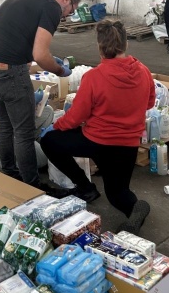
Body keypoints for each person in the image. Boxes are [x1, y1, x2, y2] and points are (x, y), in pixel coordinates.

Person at [40, 20, 156, 234]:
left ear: (99, 47)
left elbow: (76, 117)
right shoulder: (144, 71)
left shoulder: (93, 77)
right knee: (117, 195)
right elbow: (149, 103)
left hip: (96, 141)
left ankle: (85, 188)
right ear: (126, 44)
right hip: (128, 145)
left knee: (49, 141)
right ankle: (137, 208)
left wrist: (57, 125)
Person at [0, 0, 80, 197]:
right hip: (8, 71)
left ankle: (9, 174)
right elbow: (40, 54)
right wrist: (60, 71)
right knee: (23, 132)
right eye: (70, 11)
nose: (65, 16)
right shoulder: (52, 6)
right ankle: (33, 186)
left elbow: (16, 36)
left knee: (5, 125)